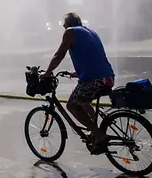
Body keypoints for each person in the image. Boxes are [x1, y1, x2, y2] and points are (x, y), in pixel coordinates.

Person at [38, 12, 115, 152]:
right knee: (84, 101)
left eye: (64, 25)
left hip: (93, 80)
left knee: (72, 105)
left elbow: (59, 55)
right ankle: (95, 130)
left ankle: (98, 134)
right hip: (108, 78)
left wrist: (47, 72)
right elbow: (92, 56)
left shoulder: (70, 32)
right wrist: (78, 72)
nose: (63, 28)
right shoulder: (90, 32)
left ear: (67, 24)